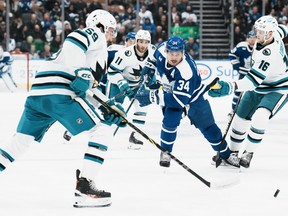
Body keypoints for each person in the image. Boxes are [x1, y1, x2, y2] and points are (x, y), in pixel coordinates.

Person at [0, 9, 127, 208]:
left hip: (39, 94)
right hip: (59, 92)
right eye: (111, 30)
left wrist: (109, 107)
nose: (112, 35)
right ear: (101, 25)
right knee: (101, 130)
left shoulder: (93, 55)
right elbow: (75, 38)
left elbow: (88, 89)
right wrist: (84, 73)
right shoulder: (97, 35)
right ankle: (84, 188)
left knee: (21, 142)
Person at [134, 36, 239, 168]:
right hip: (172, 92)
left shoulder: (186, 71)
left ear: (183, 53)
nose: (173, 57)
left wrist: (151, 97)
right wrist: (148, 69)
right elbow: (153, 59)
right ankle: (166, 151)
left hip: (194, 97)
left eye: (177, 54)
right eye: (171, 53)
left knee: (208, 127)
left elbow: (177, 101)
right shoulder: (161, 49)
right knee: (169, 121)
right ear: (166, 51)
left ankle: (226, 155)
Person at [208, 16, 288, 168]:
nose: (257, 34)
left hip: (278, 88)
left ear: (269, 34)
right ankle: (232, 153)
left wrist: (228, 87)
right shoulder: (275, 32)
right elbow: (284, 28)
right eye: (257, 30)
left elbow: (251, 82)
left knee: (260, 115)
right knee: (239, 117)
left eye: (261, 31)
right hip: (259, 86)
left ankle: (248, 153)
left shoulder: (269, 54)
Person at [63, 32, 136, 143]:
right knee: (88, 106)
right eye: (130, 41)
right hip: (99, 83)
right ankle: (70, 130)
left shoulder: (136, 56)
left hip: (110, 85)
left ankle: (103, 133)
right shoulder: (115, 50)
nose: (133, 43)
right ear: (126, 41)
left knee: (108, 110)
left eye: (135, 41)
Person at [106, 29, 156, 150]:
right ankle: (102, 135)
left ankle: (135, 136)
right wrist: (122, 83)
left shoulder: (153, 52)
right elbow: (111, 72)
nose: (143, 45)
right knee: (112, 112)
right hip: (119, 85)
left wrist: (152, 78)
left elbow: (156, 67)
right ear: (136, 41)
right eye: (141, 42)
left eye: (146, 42)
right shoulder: (125, 54)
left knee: (142, 106)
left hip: (137, 84)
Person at [228, 30, 256, 111]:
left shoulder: (260, 47)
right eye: (250, 37)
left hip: (256, 76)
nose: (252, 40)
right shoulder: (241, 46)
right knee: (238, 91)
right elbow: (232, 54)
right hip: (243, 75)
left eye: (254, 38)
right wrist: (235, 64)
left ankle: (253, 112)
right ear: (247, 38)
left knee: (255, 94)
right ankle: (233, 110)